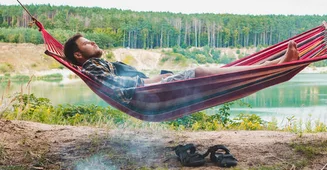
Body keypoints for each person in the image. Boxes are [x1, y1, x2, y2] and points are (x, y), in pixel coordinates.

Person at [63, 34, 299, 105]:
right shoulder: (92, 66)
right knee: (200, 73)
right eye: (86, 43)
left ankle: (271, 65)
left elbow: (122, 80)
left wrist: (156, 78)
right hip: (146, 94)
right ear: (78, 55)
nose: (93, 42)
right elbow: (115, 87)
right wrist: (150, 83)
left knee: (205, 72)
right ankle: (273, 66)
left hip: (150, 88)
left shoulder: (99, 63)